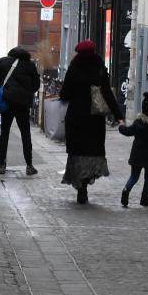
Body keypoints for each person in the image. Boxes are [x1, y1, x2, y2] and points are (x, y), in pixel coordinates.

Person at [58, 40, 122, 204]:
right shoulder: (99, 67)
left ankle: (81, 188)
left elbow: (65, 94)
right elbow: (107, 92)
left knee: (78, 153)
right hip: (95, 119)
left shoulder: (74, 67)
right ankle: (85, 182)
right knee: (91, 152)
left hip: (77, 117)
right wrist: (118, 114)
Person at [0, 46, 40, 176]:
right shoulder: (30, 65)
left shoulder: (2, 62)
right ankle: (29, 165)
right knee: (25, 134)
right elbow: (36, 85)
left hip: (7, 101)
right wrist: (26, 93)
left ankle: (1, 165)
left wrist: (3, 90)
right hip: (23, 104)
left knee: (5, 132)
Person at [117, 93, 148, 207]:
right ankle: (144, 198)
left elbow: (127, 131)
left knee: (134, 176)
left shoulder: (138, 122)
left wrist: (121, 126)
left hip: (137, 155)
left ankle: (126, 191)